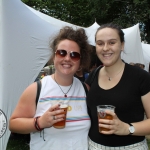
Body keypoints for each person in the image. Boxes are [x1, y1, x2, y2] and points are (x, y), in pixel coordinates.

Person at [9, 26, 91, 150]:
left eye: (74, 55)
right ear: (54, 56)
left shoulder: (85, 89)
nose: (67, 58)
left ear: (80, 61)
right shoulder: (36, 89)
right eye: (61, 53)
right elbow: (13, 124)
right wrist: (40, 122)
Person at [85, 23, 150, 149]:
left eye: (112, 42)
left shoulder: (140, 77)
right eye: (100, 43)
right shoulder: (93, 75)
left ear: (122, 45)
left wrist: (127, 128)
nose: (105, 48)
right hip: (94, 146)